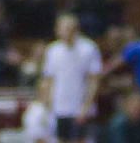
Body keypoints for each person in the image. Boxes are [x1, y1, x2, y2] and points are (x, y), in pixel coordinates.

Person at [40, 13, 102, 142]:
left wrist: (86, 106)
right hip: (59, 107)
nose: (66, 32)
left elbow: (94, 80)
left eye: (70, 28)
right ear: (57, 30)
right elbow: (48, 80)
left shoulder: (88, 48)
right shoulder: (52, 50)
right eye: (63, 28)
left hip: (79, 107)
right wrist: (46, 106)